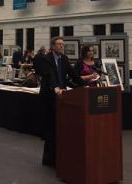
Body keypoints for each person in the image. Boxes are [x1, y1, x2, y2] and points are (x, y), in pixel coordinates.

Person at [38, 37, 84, 166]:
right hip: (49, 96)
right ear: (53, 46)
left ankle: (59, 157)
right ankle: (48, 159)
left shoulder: (64, 59)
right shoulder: (46, 58)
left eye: (63, 45)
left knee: (60, 127)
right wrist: (56, 87)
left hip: (62, 97)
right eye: (59, 45)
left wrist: (84, 85)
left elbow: (73, 73)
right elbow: (50, 74)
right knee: (51, 128)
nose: (62, 47)